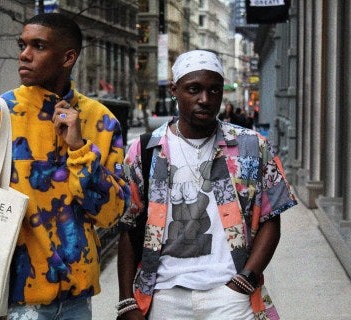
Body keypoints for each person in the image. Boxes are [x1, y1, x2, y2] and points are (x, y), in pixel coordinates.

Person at [0, 13, 129, 320]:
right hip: (12, 302)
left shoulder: (100, 121)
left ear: (68, 57)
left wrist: (79, 149)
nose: (24, 54)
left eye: (38, 46)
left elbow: (110, 214)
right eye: (23, 44)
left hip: (77, 303)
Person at [117, 50, 297, 320]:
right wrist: (126, 301)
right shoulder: (145, 150)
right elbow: (128, 228)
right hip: (164, 296)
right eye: (194, 89)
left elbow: (272, 218)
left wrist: (244, 280)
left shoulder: (251, 146)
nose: (205, 99)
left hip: (232, 298)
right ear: (175, 90)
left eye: (214, 90)